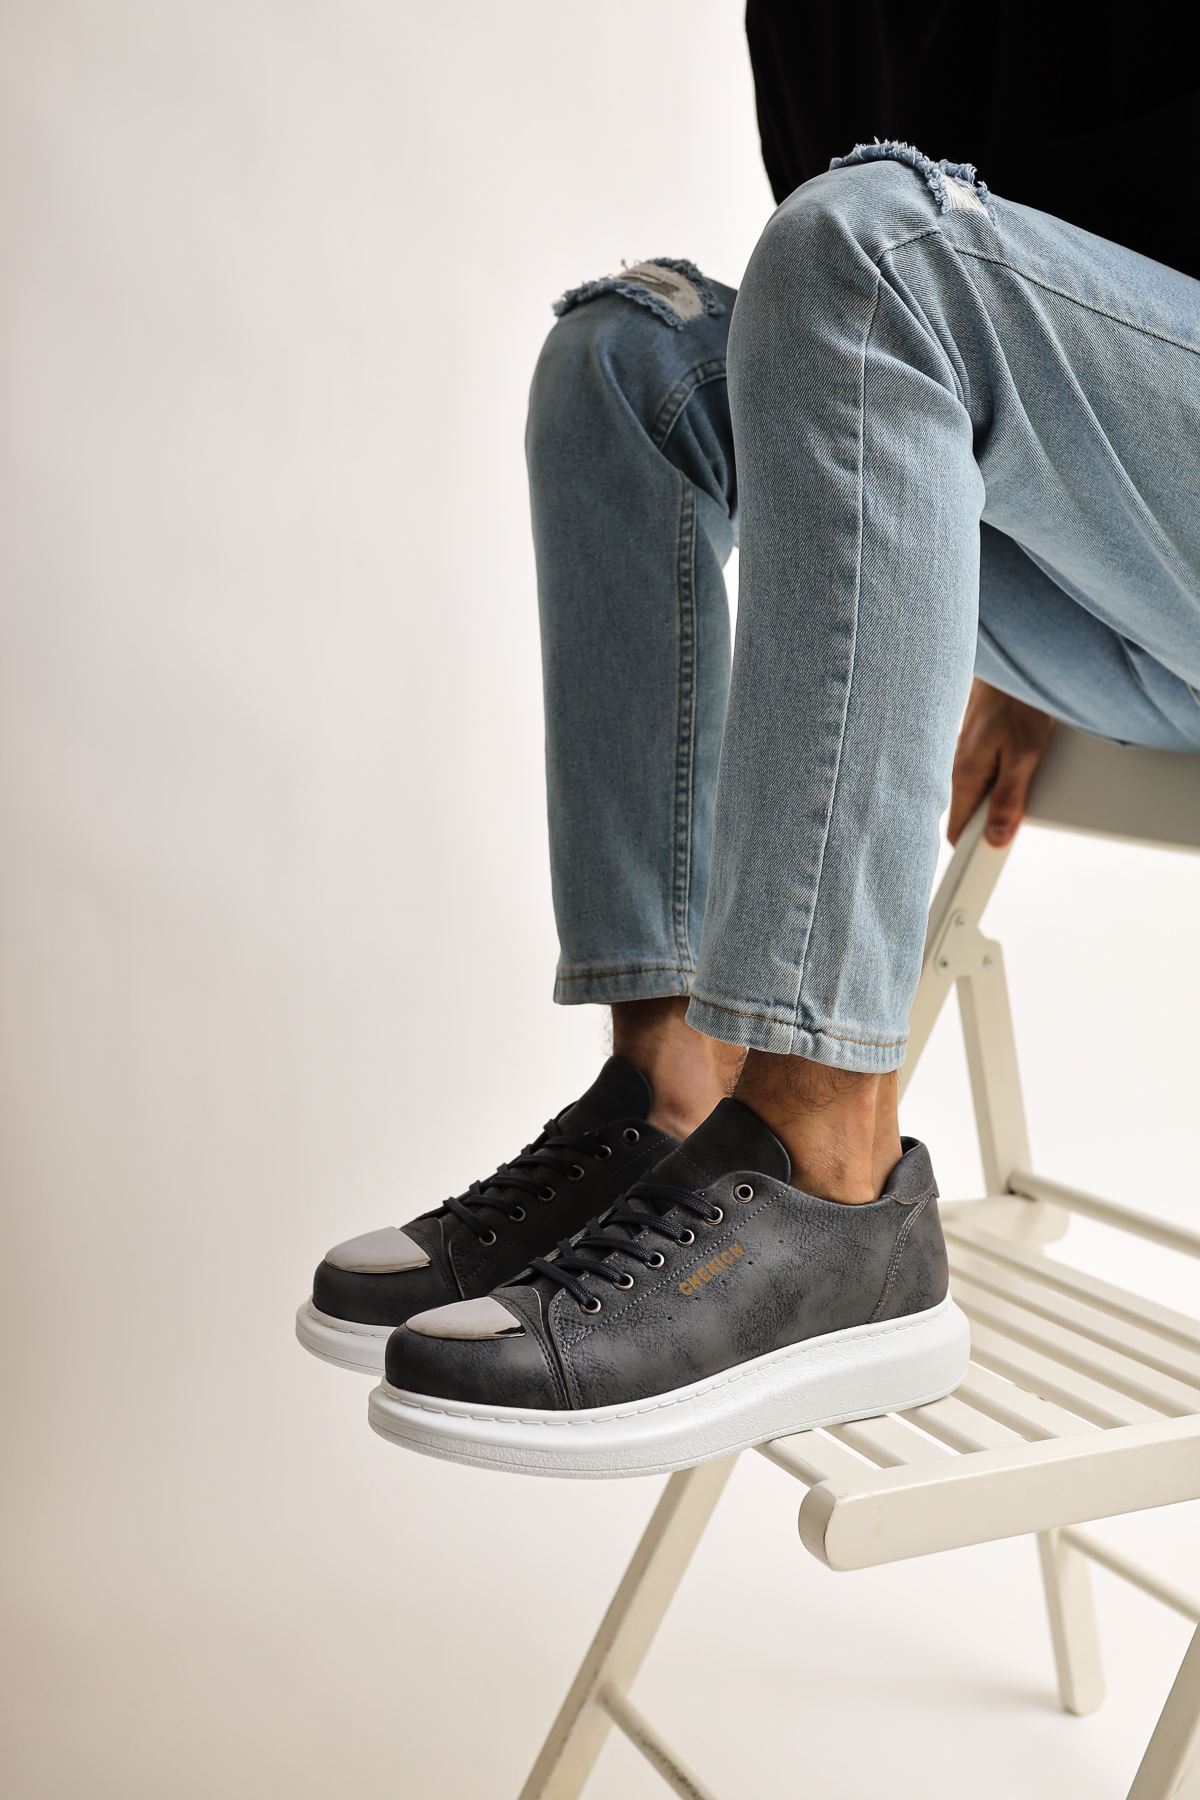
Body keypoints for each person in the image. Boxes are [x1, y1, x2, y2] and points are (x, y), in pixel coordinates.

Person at [298, 5, 1200, 1476]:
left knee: (869, 253)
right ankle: (678, 1098)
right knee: (626, 357)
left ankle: (829, 1167)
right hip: (1127, 562)